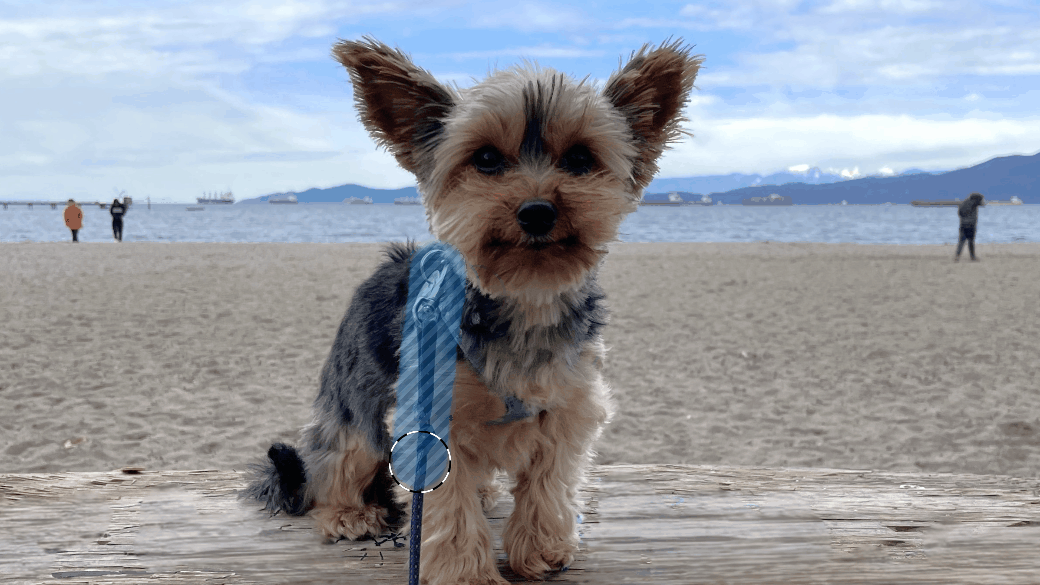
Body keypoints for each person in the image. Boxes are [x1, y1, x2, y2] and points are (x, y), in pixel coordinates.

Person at [955, 192, 984, 261]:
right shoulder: (975, 203)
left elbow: (959, 213)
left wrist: (964, 219)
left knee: (961, 241)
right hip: (971, 225)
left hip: (963, 224)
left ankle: (957, 256)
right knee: (971, 241)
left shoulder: (964, 203)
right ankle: (972, 257)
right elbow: (982, 204)